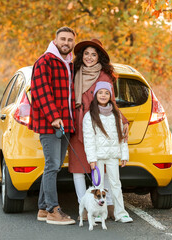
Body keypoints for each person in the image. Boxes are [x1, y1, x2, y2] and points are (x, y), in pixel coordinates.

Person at [68, 38, 128, 220]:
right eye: (86, 53)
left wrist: (122, 120)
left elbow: (111, 101)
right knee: (78, 167)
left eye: (94, 54)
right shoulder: (74, 72)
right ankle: (84, 207)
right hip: (78, 124)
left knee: (105, 169)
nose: (89, 57)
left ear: (99, 57)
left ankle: (109, 205)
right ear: (81, 55)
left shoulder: (104, 76)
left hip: (100, 124)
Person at [28, 26, 76, 225]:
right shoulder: (44, 61)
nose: (66, 43)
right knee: (52, 165)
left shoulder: (69, 63)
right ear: (55, 41)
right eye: (63, 39)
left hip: (65, 123)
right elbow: (40, 92)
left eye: (70, 40)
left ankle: (42, 208)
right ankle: (53, 210)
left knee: (54, 166)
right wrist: (54, 116)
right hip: (50, 124)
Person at [82, 81, 133, 223]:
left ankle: (121, 213)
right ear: (96, 95)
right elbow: (88, 139)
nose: (103, 95)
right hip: (97, 157)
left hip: (112, 156)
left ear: (110, 95)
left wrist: (124, 154)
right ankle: (98, 214)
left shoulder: (116, 114)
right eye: (100, 93)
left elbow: (122, 136)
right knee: (98, 187)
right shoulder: (90, 116)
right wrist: (91, 159)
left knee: (116, 184)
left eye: (106, 93)